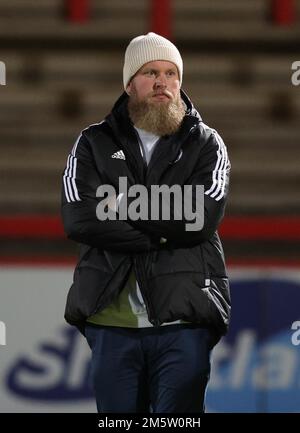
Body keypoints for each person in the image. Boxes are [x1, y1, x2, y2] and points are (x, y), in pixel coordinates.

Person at [61, 32, 231, 413]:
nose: (163, 82)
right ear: (128, 83)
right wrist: (167, 227)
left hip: (185, 319)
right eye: (151, 71)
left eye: (172, 73)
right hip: (110, 320)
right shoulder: (92, 143)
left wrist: (120, 204)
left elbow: (201, 217)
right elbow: (79, 217)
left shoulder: (207, 143)